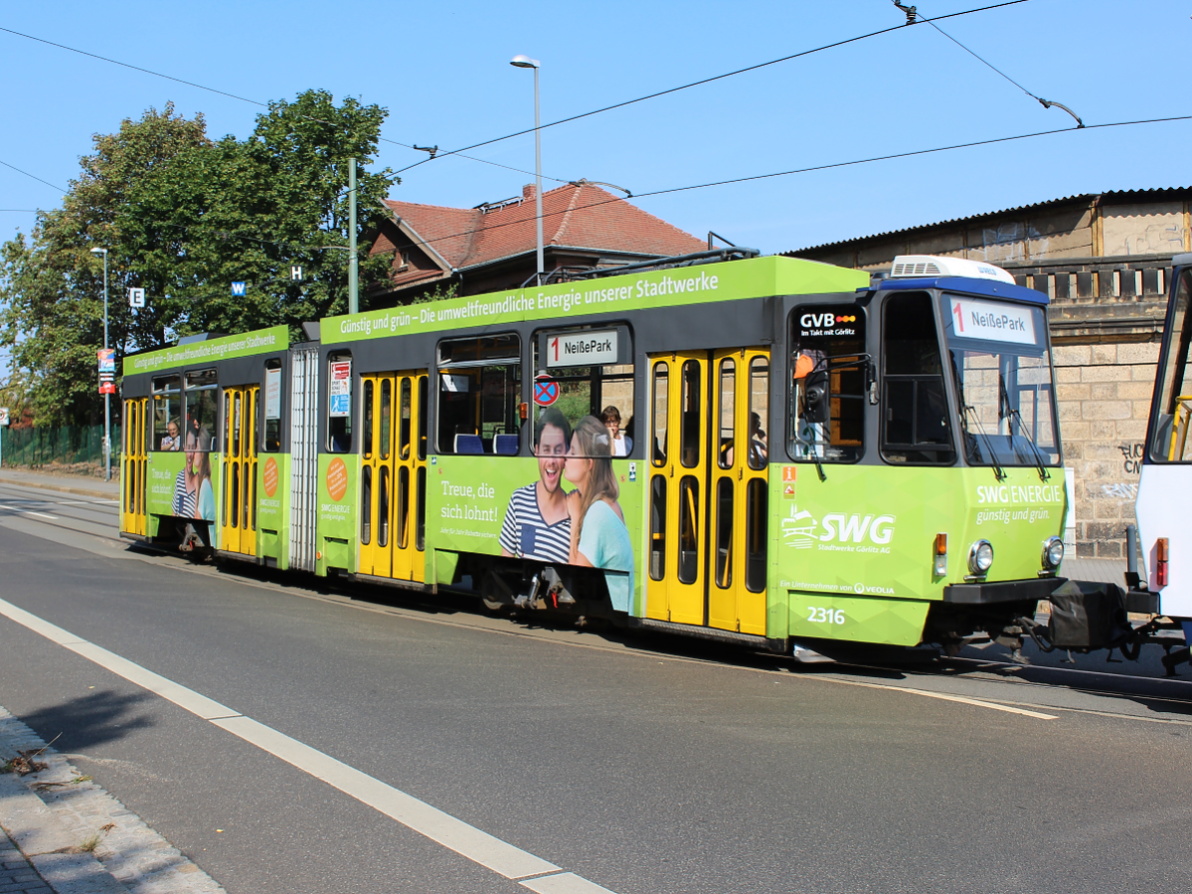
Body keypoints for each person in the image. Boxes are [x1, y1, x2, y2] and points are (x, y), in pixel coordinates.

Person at [564, 415, 634, 612]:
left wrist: (575, 517)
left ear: (589, 463)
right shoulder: (610, 504)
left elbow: (577, 570)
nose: (566, 457)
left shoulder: (598, 513)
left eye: (573, 451)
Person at [498, 407, 573, 562]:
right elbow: (505, 563)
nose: (551, 461)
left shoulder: (575, 515)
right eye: (546, 449)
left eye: (558, 450)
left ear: (567, 455)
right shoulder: (519, 501)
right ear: (537, 451)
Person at [173, 431, 215, 549]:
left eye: (196, 449)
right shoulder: (201, 480)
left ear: (203, 454)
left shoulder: (205, 484)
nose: (192, 453)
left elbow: (197, 516)